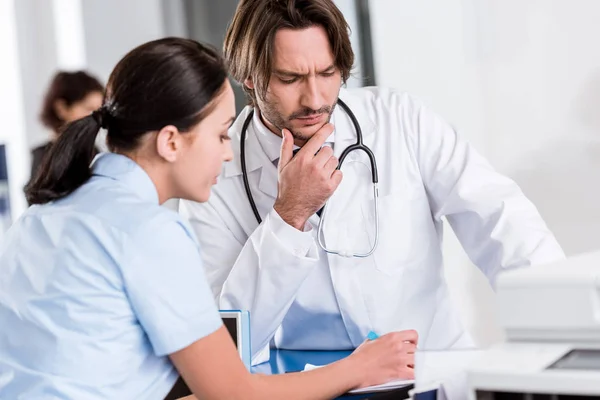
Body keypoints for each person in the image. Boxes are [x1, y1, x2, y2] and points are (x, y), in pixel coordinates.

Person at [0, 38, 414, 399]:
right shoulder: (148, 230)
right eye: (220, 135)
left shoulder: (41, 216)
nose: (228, 152)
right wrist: (360, 368)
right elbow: (234, 394)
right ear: (170, 141)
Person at [178, 0, 566, 366]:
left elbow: (502, 220)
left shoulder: (400, 121)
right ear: (249, 76)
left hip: (430, 368)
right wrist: (288, 216)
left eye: (327, 73)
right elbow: (224, 346)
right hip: (307, 384)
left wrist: (565, 333)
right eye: (290, 78)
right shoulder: (213, 170)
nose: (315, 98)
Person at [32, 70, 104, 180]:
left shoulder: (95, 152)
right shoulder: (44, 159)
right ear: (62, 108)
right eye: (89, 109)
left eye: (98, 110)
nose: (96, 117)